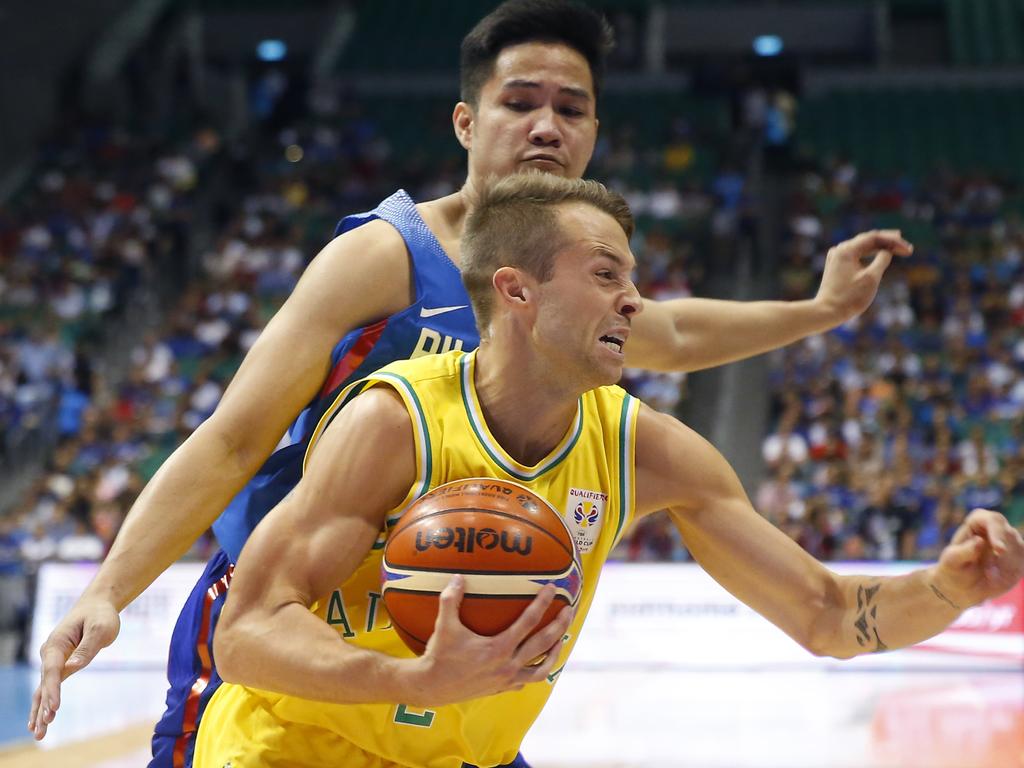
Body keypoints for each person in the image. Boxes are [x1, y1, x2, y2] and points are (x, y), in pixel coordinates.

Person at [28, 0, 912, 760]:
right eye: (519, 102)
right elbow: (232, 437)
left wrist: (819, 312)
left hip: (447, 610)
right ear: (465, 123)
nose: (546, 126)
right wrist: (110, 589)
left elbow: (671, 330)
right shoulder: (380, 258)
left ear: (596, 133)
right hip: (292, 618)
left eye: (572, 108)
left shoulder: (574, 282)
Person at [192, 172, 1023, 768]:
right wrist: (413, 677)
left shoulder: (643, 447)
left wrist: (952, 587)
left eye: (633, 278)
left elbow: (828, 614)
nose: (633, 300)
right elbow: (247, 634)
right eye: (605, 275)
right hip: (292, 749)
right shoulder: (394, 421)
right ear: (516, 292)